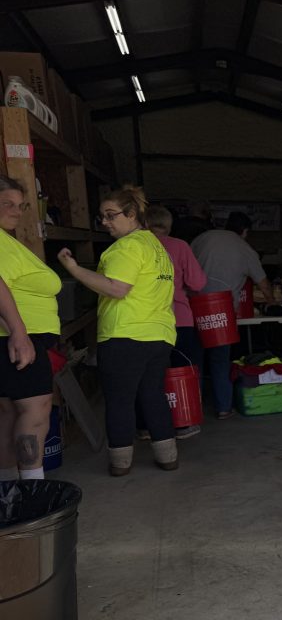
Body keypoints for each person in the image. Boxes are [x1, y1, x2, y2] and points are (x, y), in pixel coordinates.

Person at [58, 185, 178, 476]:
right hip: (159, 334)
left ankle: (120, 462)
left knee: (120, 400)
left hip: (125, 335)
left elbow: (117, 288)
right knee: (153, 396)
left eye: (111, 215)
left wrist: (74, 269)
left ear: (132, 213)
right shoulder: (155, 246)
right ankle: (168, 456)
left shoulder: (126, 247)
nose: (105, 222)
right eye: (102, 217)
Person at [191, 212, 275, 419]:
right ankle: (223, 408)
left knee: (195, 362)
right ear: (244, 231)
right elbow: (263, 283)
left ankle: (193, 410)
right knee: (220, 360)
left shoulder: (202, 238)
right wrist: (272, 302)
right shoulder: (244, 248)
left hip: (194, 305)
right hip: (222, 308)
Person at [0, 174, 54, 480]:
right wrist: (18, 333)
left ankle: (8, 491)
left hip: (12, 338)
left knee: (8, 414)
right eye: (7, 203)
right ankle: (32, 487)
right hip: (17, 340)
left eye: (20, 205)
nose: (16, 211)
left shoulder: (6, 240)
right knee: (34, 412)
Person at [143, 204, 207, 439]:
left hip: (146, 322)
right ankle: (184, 423)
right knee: (184, 370)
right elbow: (198, 283)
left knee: (150, 375)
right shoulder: (179, 246)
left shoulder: (135, 246)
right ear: (169, 225)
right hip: (179, 319)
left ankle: (146, 426)